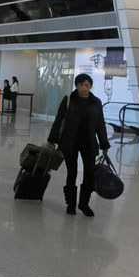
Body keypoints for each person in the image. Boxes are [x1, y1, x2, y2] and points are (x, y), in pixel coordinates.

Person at [47, 73, 110, 216]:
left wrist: (104, 143)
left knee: (89, 174)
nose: (84, 88)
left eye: (86, 85)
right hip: (70, 142)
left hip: (89, 143)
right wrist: (51, 139)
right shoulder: (68, 100)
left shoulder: (96, 102)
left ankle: (84, 204)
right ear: (76, 86)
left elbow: (100, 124)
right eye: (81, 85)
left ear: (90, 86)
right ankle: (71, 204)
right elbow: (58, 120)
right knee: (72, 173)